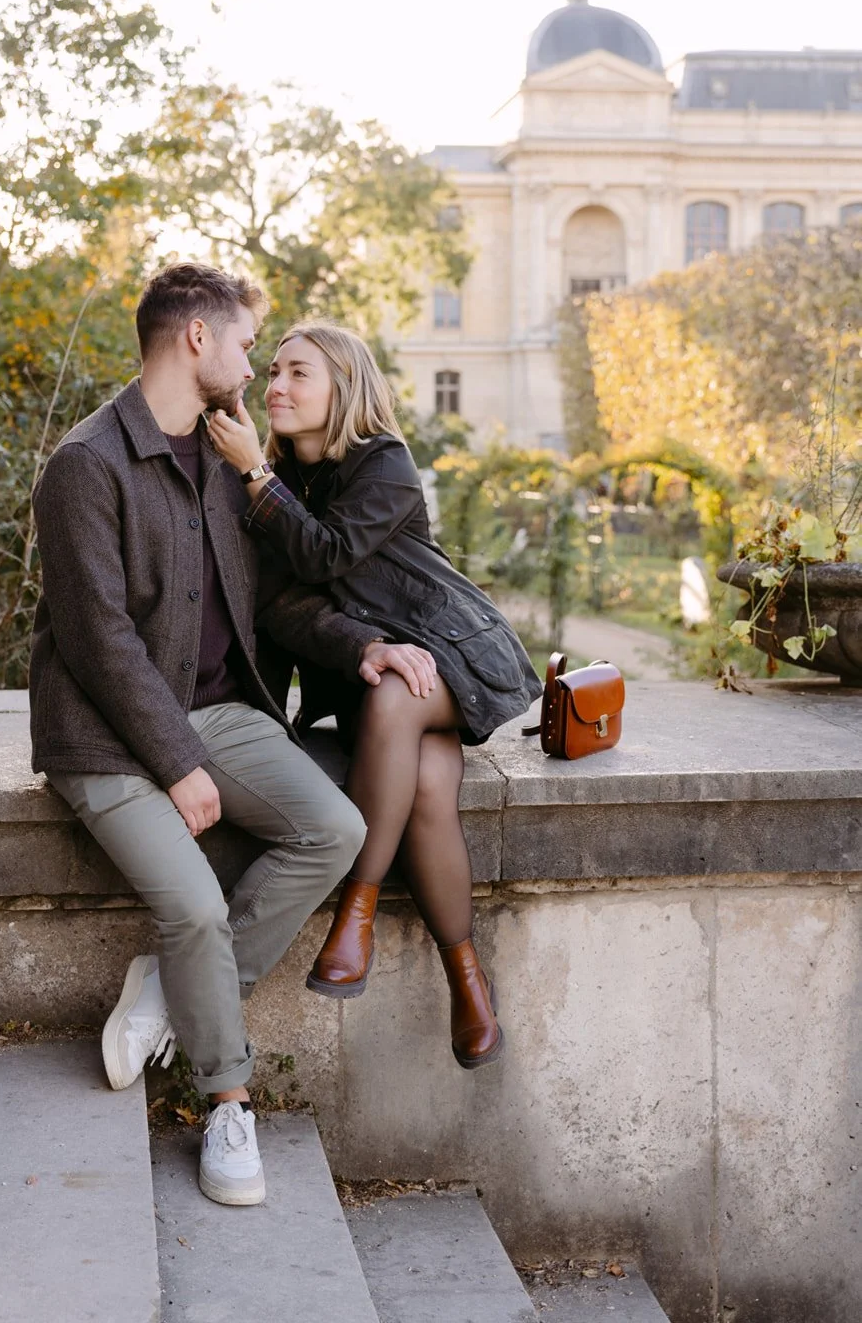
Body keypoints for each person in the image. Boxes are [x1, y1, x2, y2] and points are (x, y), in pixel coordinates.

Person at [29, 267, 431, 1207]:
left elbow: (282, 602)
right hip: (102, 734)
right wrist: (178, 765)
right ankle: (226, 1102)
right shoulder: (85, 465)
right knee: (197, 911)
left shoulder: (225, 457)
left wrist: (363, 645)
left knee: (335, 831)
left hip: (218, 712)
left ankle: (169, 991)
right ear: (197, 341)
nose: (256, 366)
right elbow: (99, 641)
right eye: (248, 344)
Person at [206, 322, 543, 1069]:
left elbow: (326, 553)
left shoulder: (380, 462)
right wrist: (363, 646)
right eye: (272, 373)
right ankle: (468, 985)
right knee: (426, 783)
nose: (277, 387)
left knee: (398, 692)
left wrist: (255, 477)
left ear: (341, 387)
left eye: (299, 373)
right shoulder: (273, 487)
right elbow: (281, 608)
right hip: (375, 678)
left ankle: (353, 913)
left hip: (454, 657)